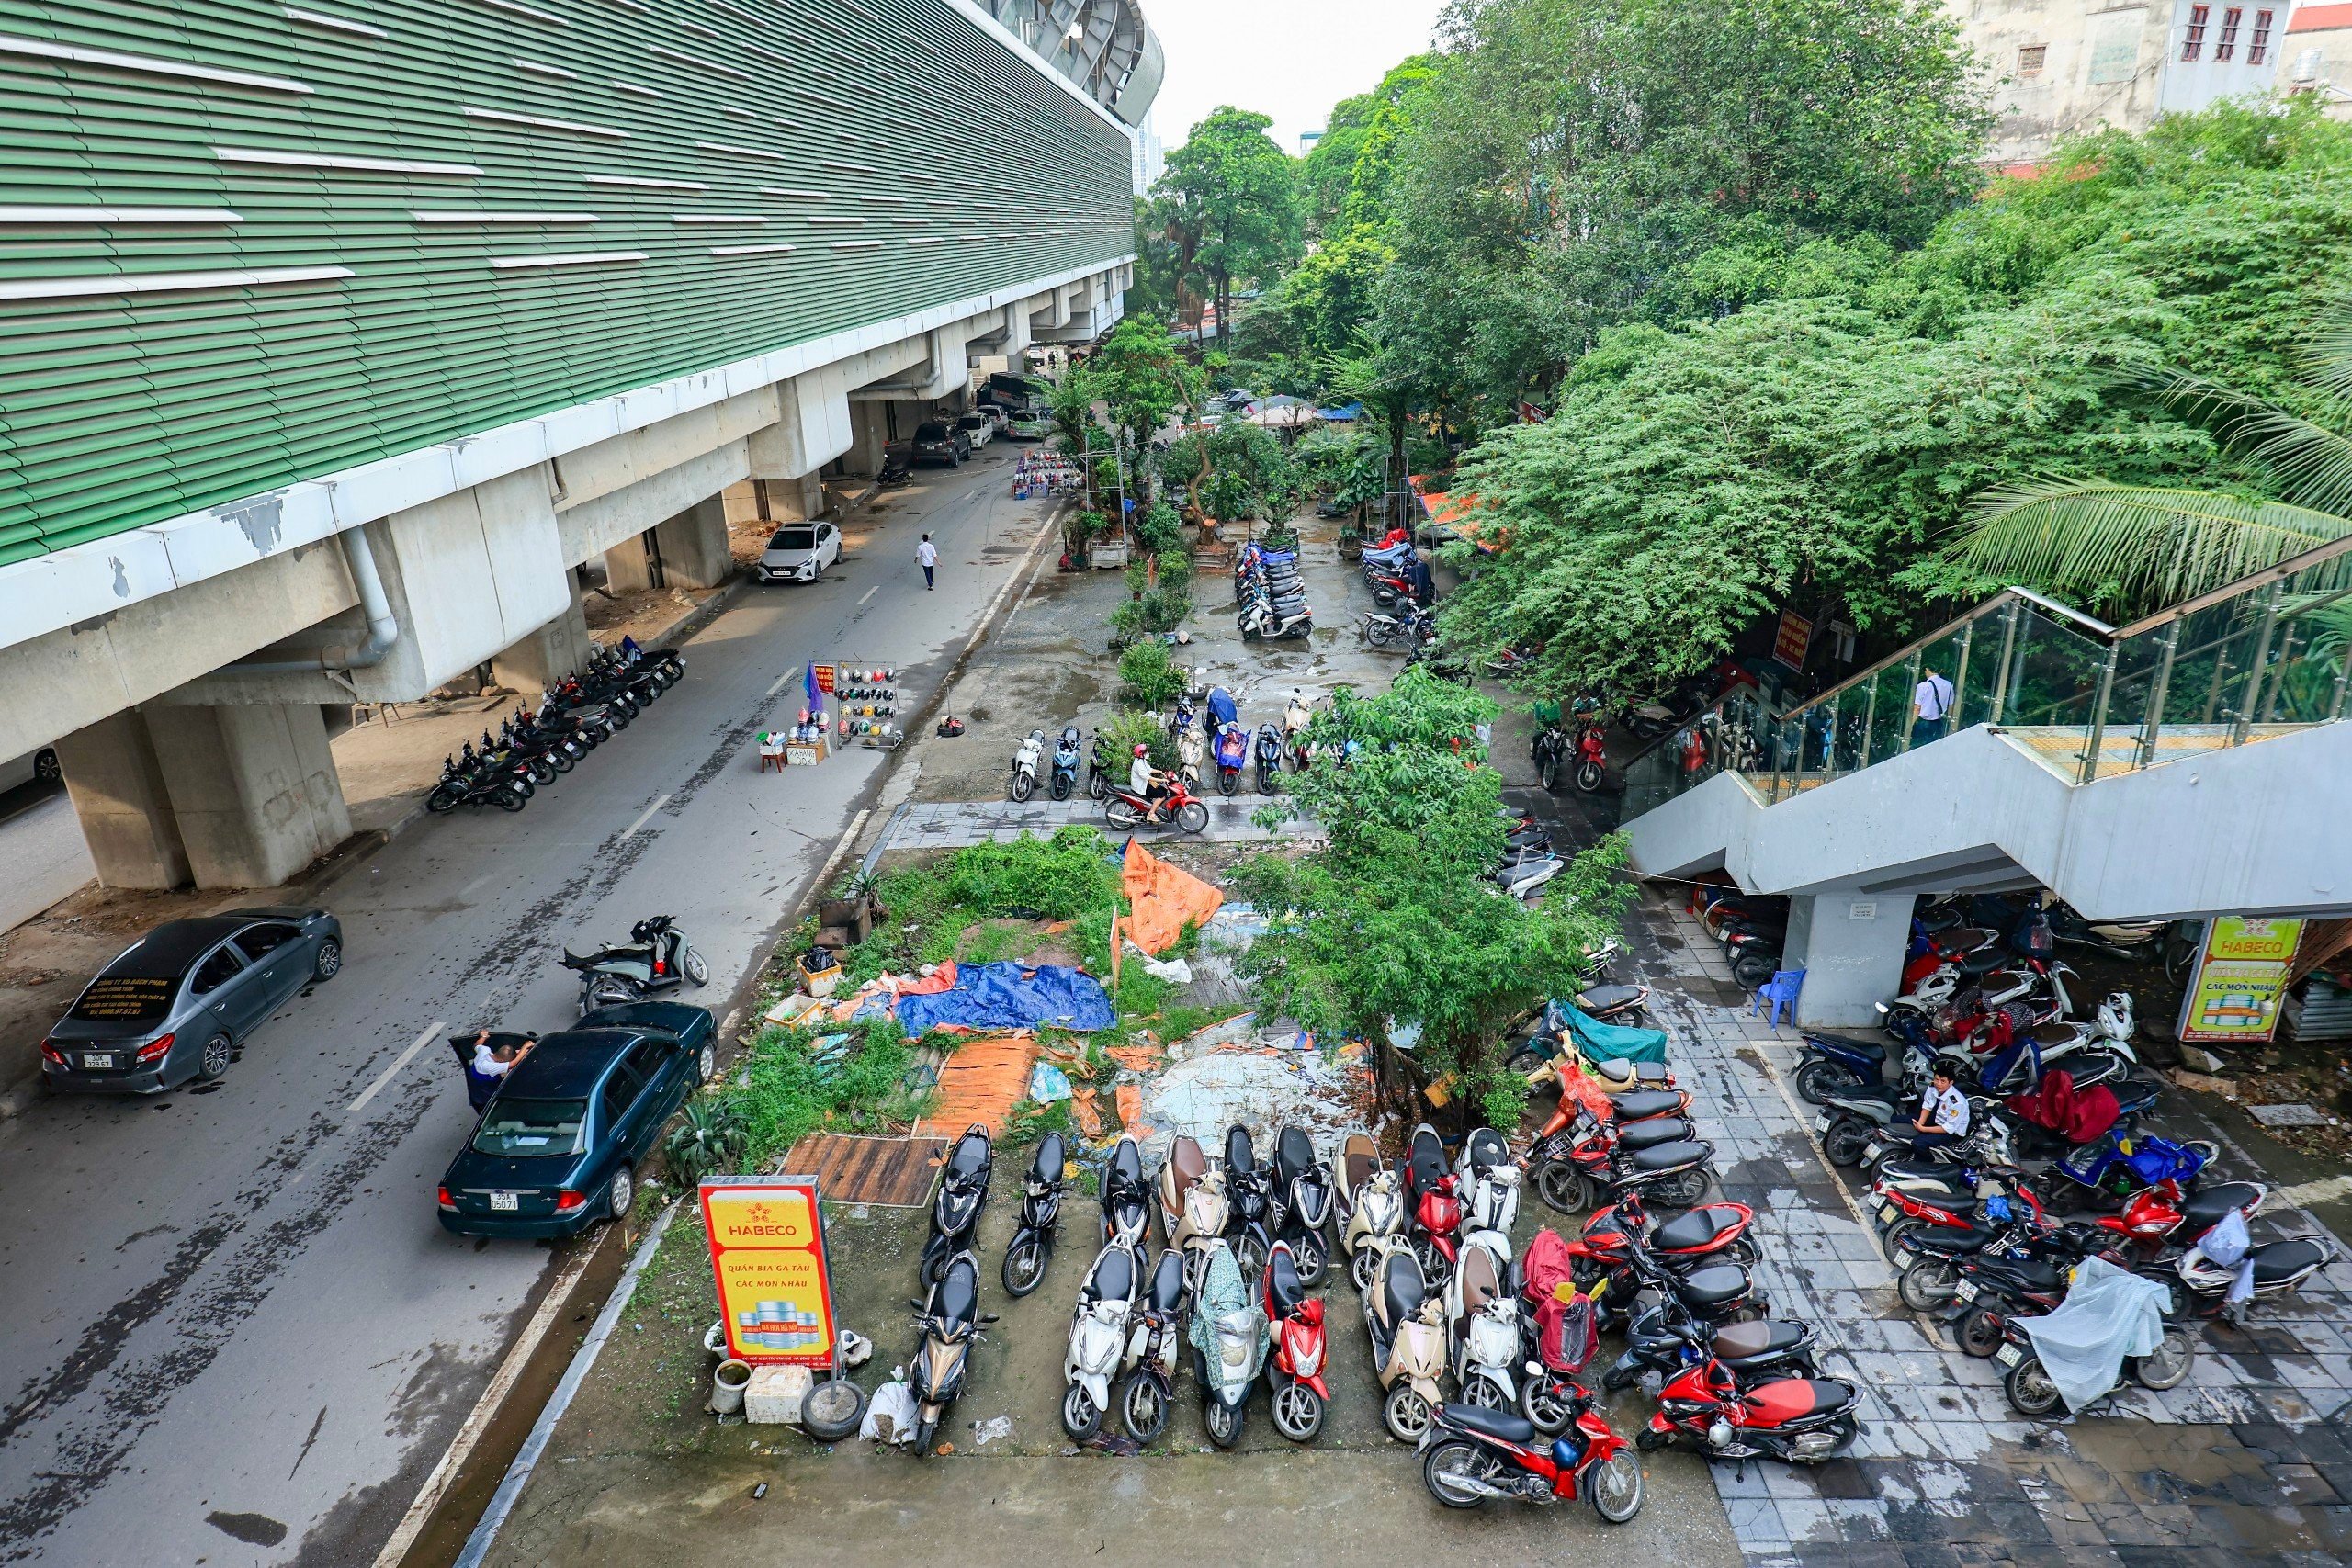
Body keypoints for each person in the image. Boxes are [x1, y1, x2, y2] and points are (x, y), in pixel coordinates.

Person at [1909, 1063, 1969, 1156]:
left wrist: (1923, 1129)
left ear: (1951, 1082)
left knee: (1918, 1143)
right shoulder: (1933, 1086)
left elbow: (1948, 1128)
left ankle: (1927, 1164)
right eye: (1936, 1079)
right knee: (1898, 1120)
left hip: (1950, 1133)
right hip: (1935, 1119)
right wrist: (1921, 1122)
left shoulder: (1957, 1102)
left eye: (1943, 1081)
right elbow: (1927, 1104)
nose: (1938, 1084)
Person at [1912, 663, 1955, 745]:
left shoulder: (1923, 686)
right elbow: (1951, 706)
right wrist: (1948, 723)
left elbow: (1917, 708)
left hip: (1923, 722)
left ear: (1927, 669)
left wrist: (1910, 725)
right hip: (1939, 722)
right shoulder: (1949, 685)